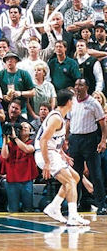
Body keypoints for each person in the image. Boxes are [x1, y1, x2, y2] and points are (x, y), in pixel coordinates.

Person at [35, 89, 90, 226]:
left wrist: (63, 154)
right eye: (73, 99)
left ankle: (54, 207)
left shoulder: (60, 117)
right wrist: (47, 163)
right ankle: (73, 216)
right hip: (45, 153)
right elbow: (43, 140)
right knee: (70, 181)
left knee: (75, 178)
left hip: (52, 152)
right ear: (69, 102)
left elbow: (54, 140)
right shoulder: (56, 118)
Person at [67, 78, 107, 214]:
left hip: (90, 140)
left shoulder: (93, 103)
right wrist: (65, 139)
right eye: (76, 85)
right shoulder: (72, 102)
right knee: (75, 175)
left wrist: (103, 140)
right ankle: (75, 205)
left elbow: (102, 123)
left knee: (96, 174)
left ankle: (101, 205)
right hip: (74, 139)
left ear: (87, 88)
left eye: (81, 85)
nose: (77, 87)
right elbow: (68, 121)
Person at [0, 122, 38, 213]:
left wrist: (15, 138)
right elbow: (4, 156)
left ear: (30, 131)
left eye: (26, 127)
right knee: (13, 209)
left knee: (28, 208)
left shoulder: (33, 142)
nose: (23, 129)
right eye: (21, 127)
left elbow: (27, 149)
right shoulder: (11, 143)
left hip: (27, 179)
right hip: (12, 179)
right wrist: (5, 139)